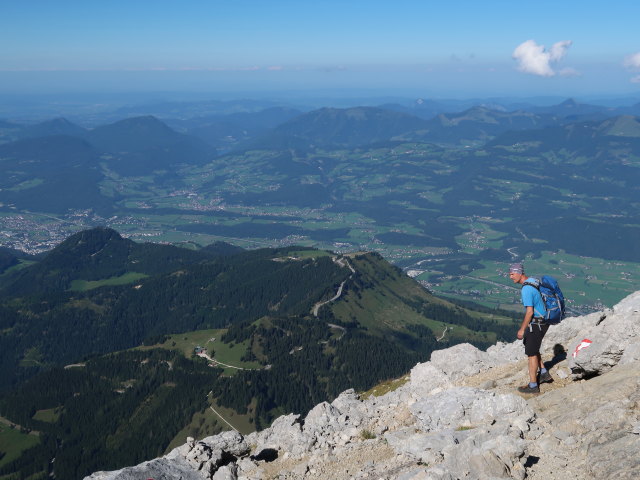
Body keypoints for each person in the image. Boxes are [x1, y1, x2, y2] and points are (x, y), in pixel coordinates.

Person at [509, 263, 553, 394]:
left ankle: (533, 385)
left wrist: (522, 329)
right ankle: (544, 373)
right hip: (544, 321)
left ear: (519, 273)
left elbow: (529, 312)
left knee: (531, 354)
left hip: (536, 323)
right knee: (533, 347)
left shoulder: (526, 289)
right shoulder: (533, 281)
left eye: (512, 274)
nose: (510, 277)